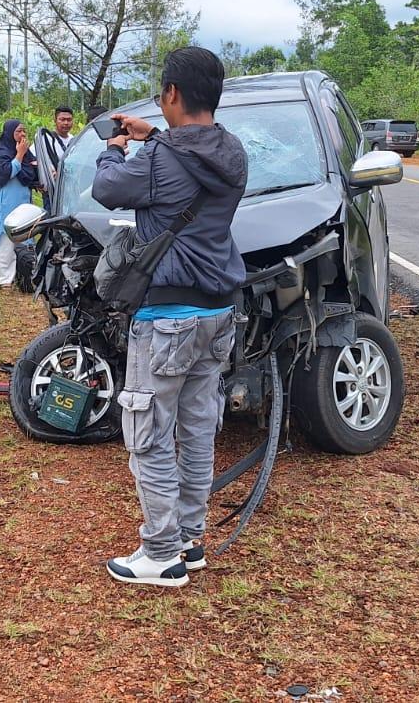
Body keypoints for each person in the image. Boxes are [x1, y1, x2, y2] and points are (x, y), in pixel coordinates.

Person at [90, 46, 248, 587]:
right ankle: (189, 537)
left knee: (149, 433)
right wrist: (153, 134)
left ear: (172, 94)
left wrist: (114, 149)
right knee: (198, 426)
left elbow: (108, 189)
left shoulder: (159, 159)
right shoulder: (233, 152)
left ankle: (159, 554)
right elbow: (190, 159)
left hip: (166, 318)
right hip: (218, 313)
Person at [0, 119, 40, 288]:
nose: (22, 135)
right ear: (9, 134)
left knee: (25, 237)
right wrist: (19, 155)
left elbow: (31, 172)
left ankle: (25, 279)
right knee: (6, 238)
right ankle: (5, 281)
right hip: (6, 200)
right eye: (18, 132)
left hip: (22, 201)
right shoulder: (3, 153)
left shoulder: (27, 154)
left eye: (24, 131)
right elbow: (6, 171)